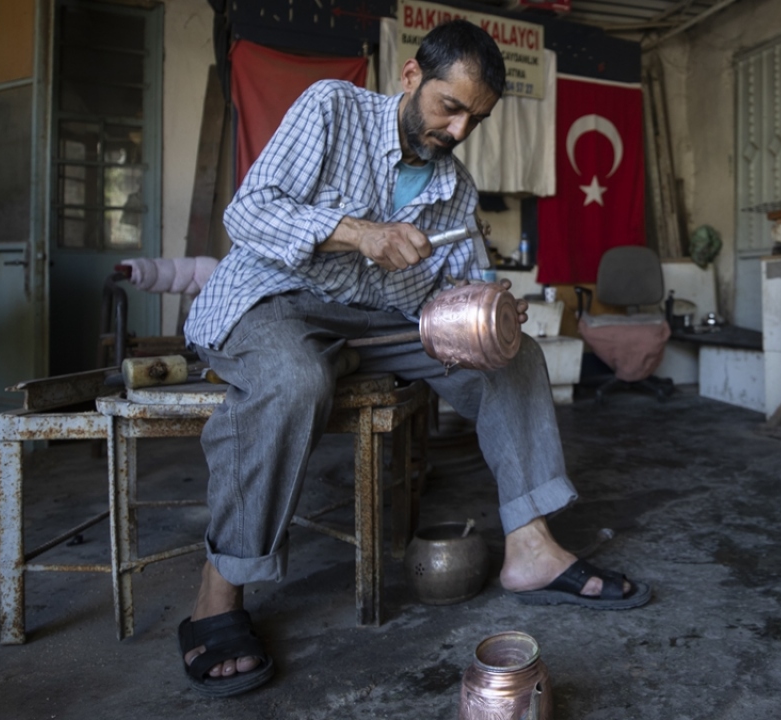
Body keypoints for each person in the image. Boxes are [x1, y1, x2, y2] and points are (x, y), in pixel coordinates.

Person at [178, 20, 650, 698]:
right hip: (276, 299)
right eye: (449, 107)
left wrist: (490, 309)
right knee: (291, 378)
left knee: (511, 357)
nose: (458, 131)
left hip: (381, 324)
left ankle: (531, 549)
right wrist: (360, 234)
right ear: (410, 77)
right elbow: (249, 213)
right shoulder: (332, 109)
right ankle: (218, 592)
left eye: (475, 120)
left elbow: (462, 287)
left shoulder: (454, 188)